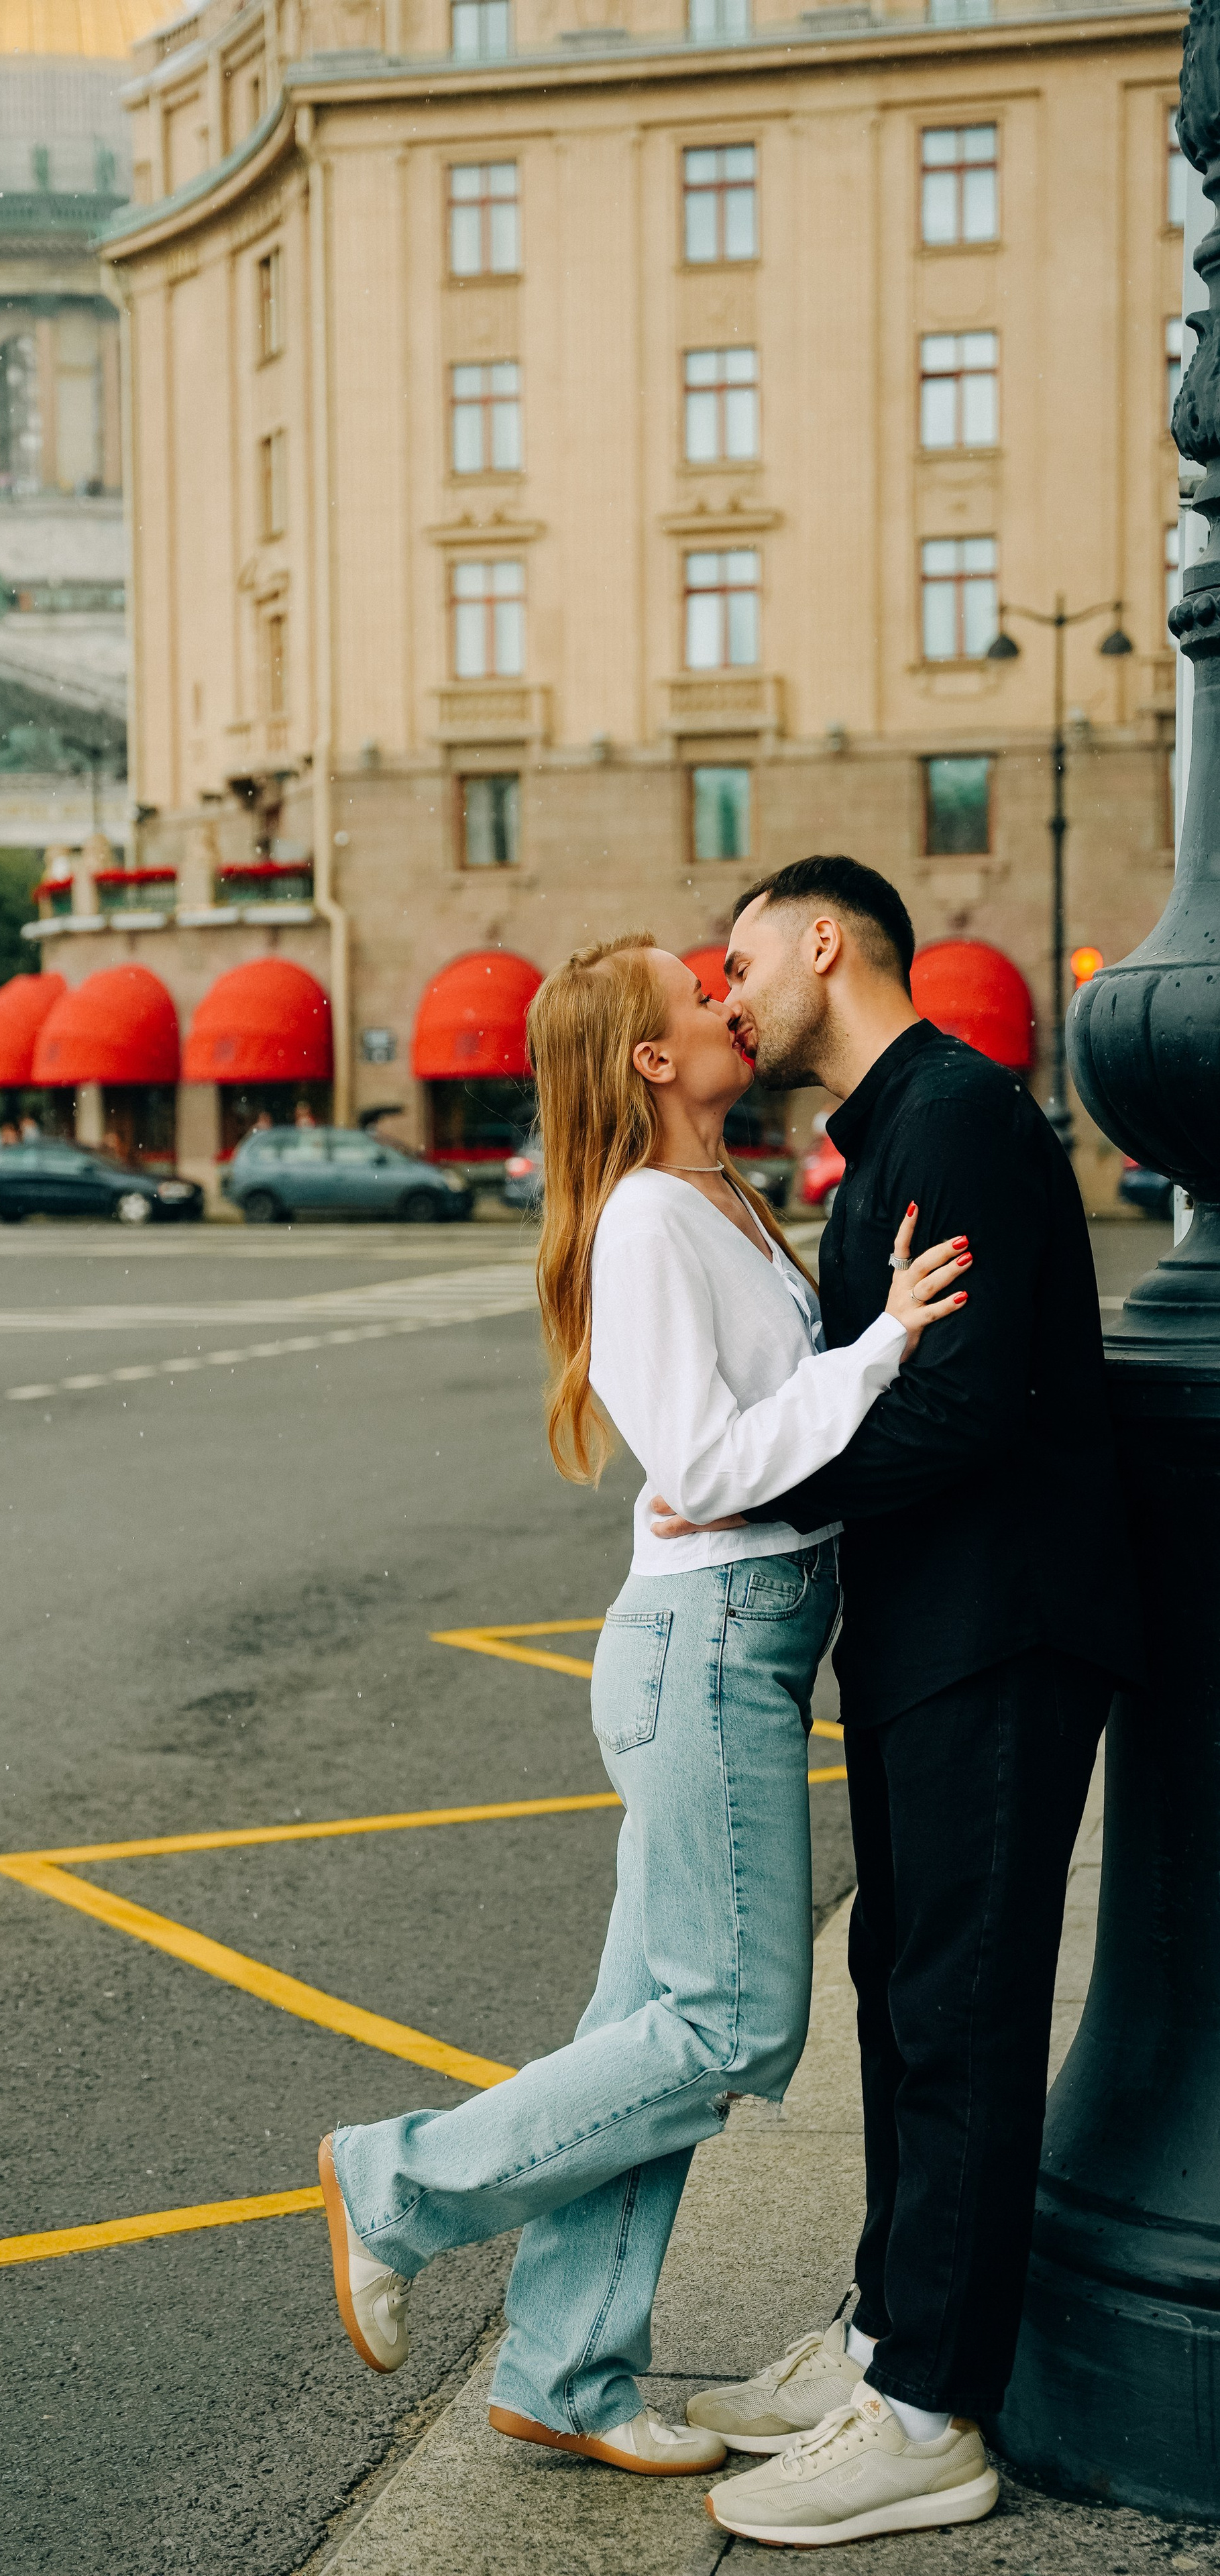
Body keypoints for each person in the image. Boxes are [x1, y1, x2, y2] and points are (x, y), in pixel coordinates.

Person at [316, 933, 969, 2486]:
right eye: (698, 998)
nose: (726, 998)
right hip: (711, 1647)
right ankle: (392, 2184)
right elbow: (709, 1463)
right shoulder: (643, 1220)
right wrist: (881, 1343)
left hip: (734, 1634)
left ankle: (562, 2366)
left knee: (646, 2028)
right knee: (733, 2020)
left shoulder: (719, 1198)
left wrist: (843, 1344)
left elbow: (747, 1433)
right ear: (651, 1063)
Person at [656, 857, 1142, 2549]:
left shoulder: (954, 1122)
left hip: (999, 1630)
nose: (722, 999)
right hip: (931, 1626)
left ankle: (929, 2414)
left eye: (735, 964)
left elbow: (960, 1412)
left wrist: (753, 1494)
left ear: (820, 941)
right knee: (899, 1977)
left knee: (959, 2000)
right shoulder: (891, 1129)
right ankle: (881, 2340)